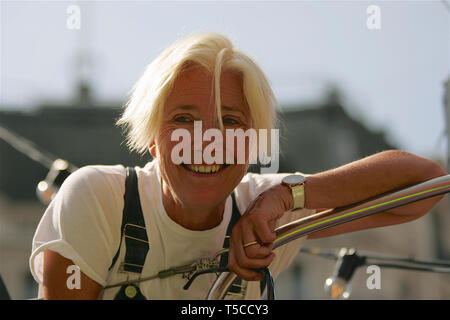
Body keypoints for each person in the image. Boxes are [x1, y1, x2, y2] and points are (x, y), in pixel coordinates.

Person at [29, 32, 447, 300]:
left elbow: (427, 182)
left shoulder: (264, 208)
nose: (206, 144)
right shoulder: (98, 199)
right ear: (153, 139)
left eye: (230, 123)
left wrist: (285, 198)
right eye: (183, 120)